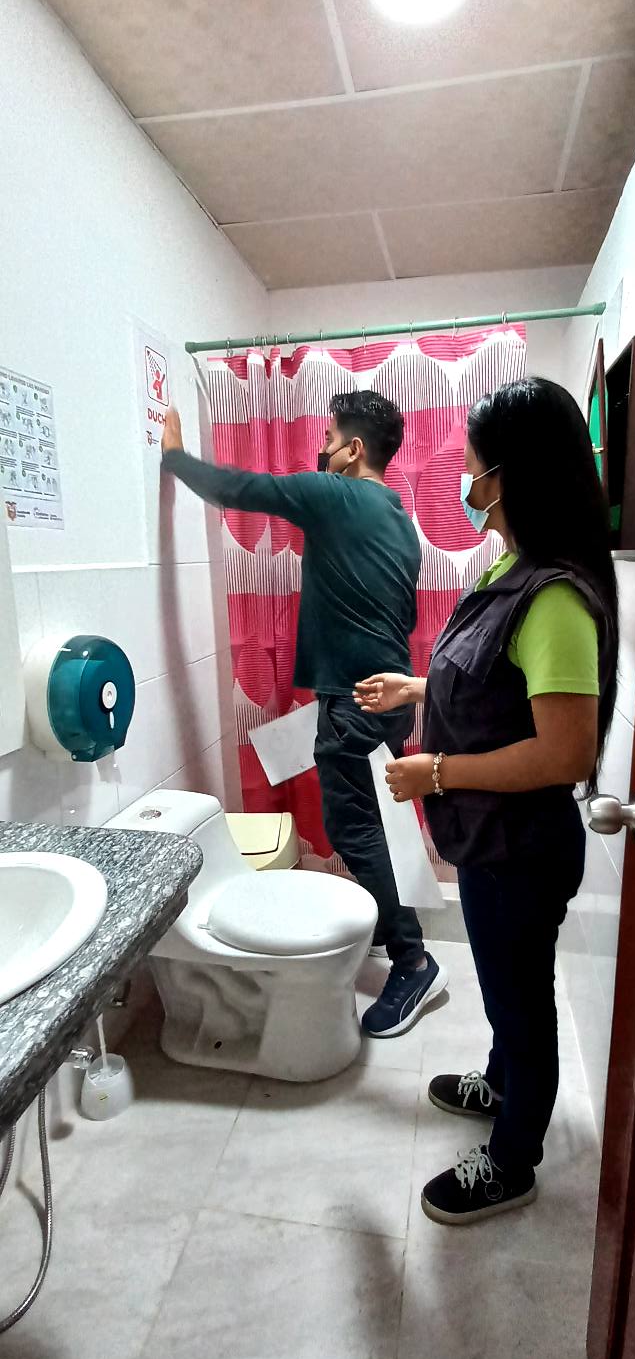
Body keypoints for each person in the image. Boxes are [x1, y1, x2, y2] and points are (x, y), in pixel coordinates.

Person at [355, 376, 618, 1224]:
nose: (465, 480)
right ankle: (501, 1084)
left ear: (509, 475)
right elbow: (499, 681)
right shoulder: (514, 567)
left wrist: (436, 772)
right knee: (508, 989)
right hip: (491, 840)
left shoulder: (555, 598)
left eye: (473, 466)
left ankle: (512, 1161)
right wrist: (418, 686)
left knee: (520, 1003)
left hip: (521, 848)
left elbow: (565, 751)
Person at [161, 391, 447, 1037]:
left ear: (354, 449)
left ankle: (412, 961)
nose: (320, 449)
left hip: (354, 699)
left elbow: (242, 488)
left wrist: (175, 457)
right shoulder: (398, 516)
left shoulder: (335, 495)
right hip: (387, 695)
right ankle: (390, 931)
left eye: (328, 438)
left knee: (354, 830)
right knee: (369, 826)